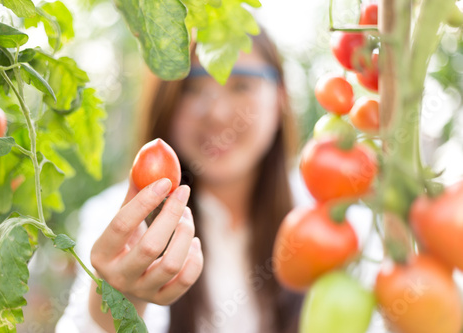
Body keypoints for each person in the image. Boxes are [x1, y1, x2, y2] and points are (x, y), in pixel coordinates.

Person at [56, 27, 310, 333]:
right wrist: (120, 304)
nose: (217, 113)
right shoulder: (113, 222)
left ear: (281, 97)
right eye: (192, 88)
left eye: (241, 86)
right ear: (167, 102)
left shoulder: (336, 219)